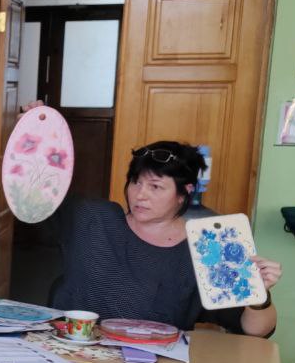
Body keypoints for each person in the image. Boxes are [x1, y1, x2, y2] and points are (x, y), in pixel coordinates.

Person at [50, 140, 282, 336]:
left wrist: (259, 296)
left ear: (184, 192)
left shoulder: (207, 249)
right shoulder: (92, 217)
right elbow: (36, 197)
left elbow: (256, 330)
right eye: (136, 182)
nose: (140, 195)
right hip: (69, 350)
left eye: (156, 187)